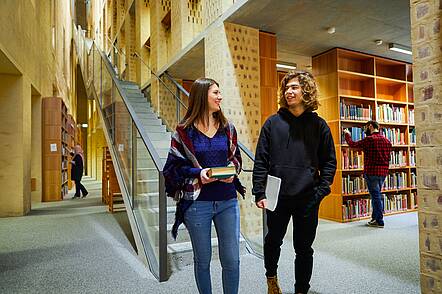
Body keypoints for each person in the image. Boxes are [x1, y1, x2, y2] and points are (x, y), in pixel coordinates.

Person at [252, 71, 337, 294]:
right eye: (287, 88)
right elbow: (261, 159)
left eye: (295, 87)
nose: (289, 91)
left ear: (306, 91)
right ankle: (271, 278)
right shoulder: (272, 123)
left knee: (304, 248)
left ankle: (301, 290)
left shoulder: (319, 125)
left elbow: (329, 161)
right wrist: (259, 192)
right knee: (273, 241)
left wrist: (322, 189)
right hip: (276, 195)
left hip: (308, 197)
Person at [163, 78, 245, 294]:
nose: (220, 97)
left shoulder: (228, 128)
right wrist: (198, 173)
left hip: (228, 201)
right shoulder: (183, 132)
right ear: (201, 96)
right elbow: (172, 168)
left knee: (232, 259)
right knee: (203, 260)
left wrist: (231, 170)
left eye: (220, 92)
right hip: (197, 203)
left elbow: (237, 159)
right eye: (215, 93)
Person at [343, 120, 392, 228]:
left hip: (372, 172)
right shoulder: (387, 141)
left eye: (366, 127)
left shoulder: (369, 140)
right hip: (383, 172)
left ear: (370, 126)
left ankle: (379, 221)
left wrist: (347, 134)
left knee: (375, 196)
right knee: (377, 195)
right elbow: (388, 158)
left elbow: (353, 145)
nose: (365, 130)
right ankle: (375, 218)